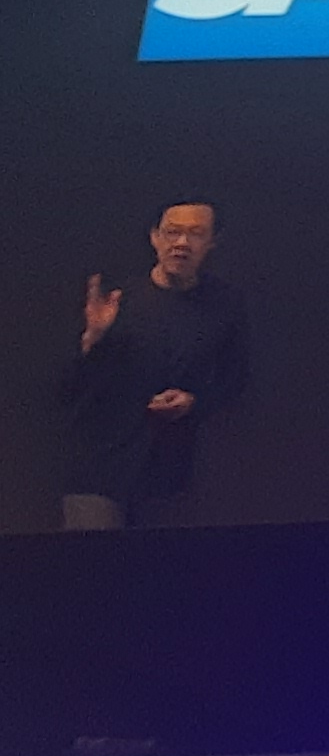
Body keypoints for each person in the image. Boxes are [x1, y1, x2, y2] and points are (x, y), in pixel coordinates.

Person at [55, 201, 248, 530]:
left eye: (195, 233)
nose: (182, 243)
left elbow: (236, 382)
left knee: (164, 560)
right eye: (173, 232)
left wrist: (193, 402)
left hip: (170, 476)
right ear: (155, 237)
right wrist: (94, 338)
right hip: (98, 468)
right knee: (91, 558)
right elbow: (66, 389)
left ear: (212, 242)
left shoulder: (224, 305)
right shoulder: (116, 298)